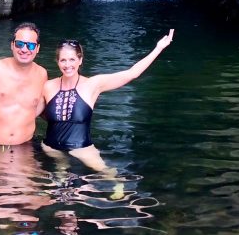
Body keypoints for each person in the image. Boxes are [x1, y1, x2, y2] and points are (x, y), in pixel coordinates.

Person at [41, 30, 174, 173]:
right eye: (63, 60)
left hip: (82, 148)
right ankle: (62, 167)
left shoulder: (93, 84)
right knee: (56, 183)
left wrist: (159, 48)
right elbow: (33, 110)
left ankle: (119, 186)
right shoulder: (48, 86)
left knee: (108, 174)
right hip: (51, 149)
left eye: (72, 59)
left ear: (80, 60)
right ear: (57, 62)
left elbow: (132, 73)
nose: (68, 65)